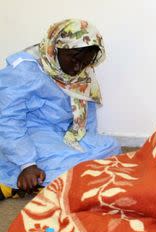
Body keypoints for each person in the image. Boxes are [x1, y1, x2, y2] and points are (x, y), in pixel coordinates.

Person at [0, 19, 121, 200]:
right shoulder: (24, 71)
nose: (77, 68)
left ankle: (45, 179)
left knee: (111, 147)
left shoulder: (82, 71)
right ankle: (19, 177)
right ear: (55, 48)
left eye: (85, 63)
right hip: (29, 134)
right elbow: (7, 120)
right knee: (65, 164)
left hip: (64, 133)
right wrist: (27, 164)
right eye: (74, 59)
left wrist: (85, 140)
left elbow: (87, 112)